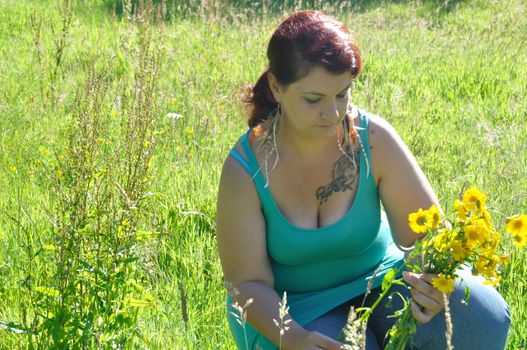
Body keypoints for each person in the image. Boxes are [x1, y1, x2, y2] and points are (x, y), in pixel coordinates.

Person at [216, 10, 510, 350]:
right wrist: (294, 338)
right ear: (277, 87)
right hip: (294, 314)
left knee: (480, 315)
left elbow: (429, 233)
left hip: (382, 280)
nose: (333, 113)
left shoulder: (372, 138)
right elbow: (247, 285)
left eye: (343, 93)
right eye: (313, 100)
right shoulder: (246, 167)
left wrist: (429, 282)